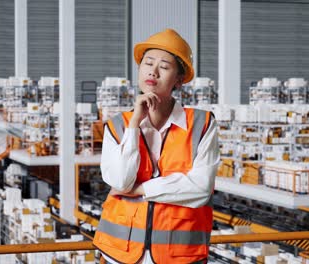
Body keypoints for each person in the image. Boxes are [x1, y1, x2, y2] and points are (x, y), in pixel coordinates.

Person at [93, 28, 220, 264]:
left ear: (179, 79)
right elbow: (121, 182)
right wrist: (134, 125)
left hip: (180, 255)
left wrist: (139, 190)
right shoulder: (117, 126)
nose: (153, 71)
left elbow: (200, 188)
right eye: (147, 63)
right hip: (119, 253)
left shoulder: (202, 124)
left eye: (164, 66)